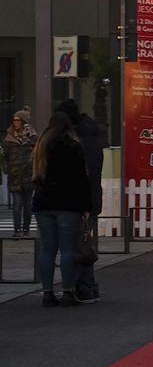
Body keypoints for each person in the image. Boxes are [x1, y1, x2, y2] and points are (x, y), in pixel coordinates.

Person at [33, 112, 92, 307]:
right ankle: (68, 291)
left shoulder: (41, 146)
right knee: (67, 249)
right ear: (69, 127)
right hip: (68, 203)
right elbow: (82, 179)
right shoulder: (73, 147)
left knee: (48, 249)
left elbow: (36, 176)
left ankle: (47, 293)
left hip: (44, 203)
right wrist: (86, 206)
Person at [56, 99, 105, 303]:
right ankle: (88, 285)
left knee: (81, 242)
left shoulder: (81, 139)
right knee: (84, 242)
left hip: (82, 198)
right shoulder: (90, 135)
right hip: (89, 197)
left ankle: (85, 286)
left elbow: (87, 172)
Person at [3, 108, 37, 237]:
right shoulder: (9, 136)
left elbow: (37, 152)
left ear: (23, 121)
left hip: (28, 174)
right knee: (17, 204)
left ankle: (26, 229)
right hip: (15, 174)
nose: (15, 123)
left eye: (17, 120)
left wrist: (33, 165)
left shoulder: (32, 135)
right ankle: (17, 230)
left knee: (28, 204)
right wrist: (6, 168)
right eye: (14, 120)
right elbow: (5, 156)